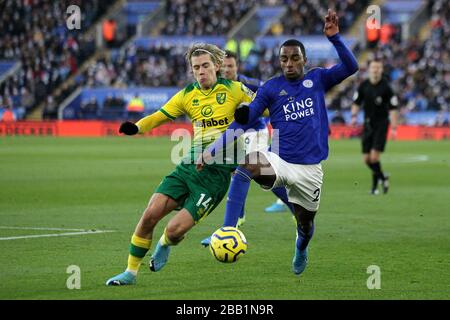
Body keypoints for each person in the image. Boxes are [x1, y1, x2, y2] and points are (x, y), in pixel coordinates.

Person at [198, 10, 358, 275]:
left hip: (310, 170)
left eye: (295, 58)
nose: (289, 63)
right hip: (279, 160)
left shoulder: (317, 79)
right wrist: (211, 151)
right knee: (247, 165)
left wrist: (336, 38)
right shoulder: (271, 88)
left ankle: (301, 248)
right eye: (284, 59)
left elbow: (351, 67)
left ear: (304, 60)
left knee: (305, 225)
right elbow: (244, 120)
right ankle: (229, 229)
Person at [106, 43, 258, 286]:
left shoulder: (235, 89)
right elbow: (159, 115)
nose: (201, 71)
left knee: (175, 231)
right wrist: (137, 127)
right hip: (188, 166)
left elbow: (265, 105)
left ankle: (165, 244)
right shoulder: (187, 95)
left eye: (205, 66)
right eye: (196, 67)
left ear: (217, 66)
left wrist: (248, 113)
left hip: (215, 177)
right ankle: (130, 272)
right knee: (149, 216)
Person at [199, 51, 295, 246]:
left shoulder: (250, 85)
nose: (226, 70)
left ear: (237, 67)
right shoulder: (217, 87)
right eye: (223, 66)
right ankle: (295, 207)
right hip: (235, 135)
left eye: (230, 66)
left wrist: (268, 121)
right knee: (259, 177)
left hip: (255, 133)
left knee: (246, 172)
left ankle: (230, 227)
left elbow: (270, 102)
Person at [351, 59, 398, 195]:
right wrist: (354, 117)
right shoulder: (364, 85)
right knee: (366, 159)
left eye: (378, 68)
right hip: (367, 124)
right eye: (373, 67)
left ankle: (374, 188)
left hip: (382, 124)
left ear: (381, 70)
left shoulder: (386, 87)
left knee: (374, 157)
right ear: (369, 69)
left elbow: (393, 108)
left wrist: (394, 128)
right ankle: (383, 177)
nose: (375, 70)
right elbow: (356, 102)